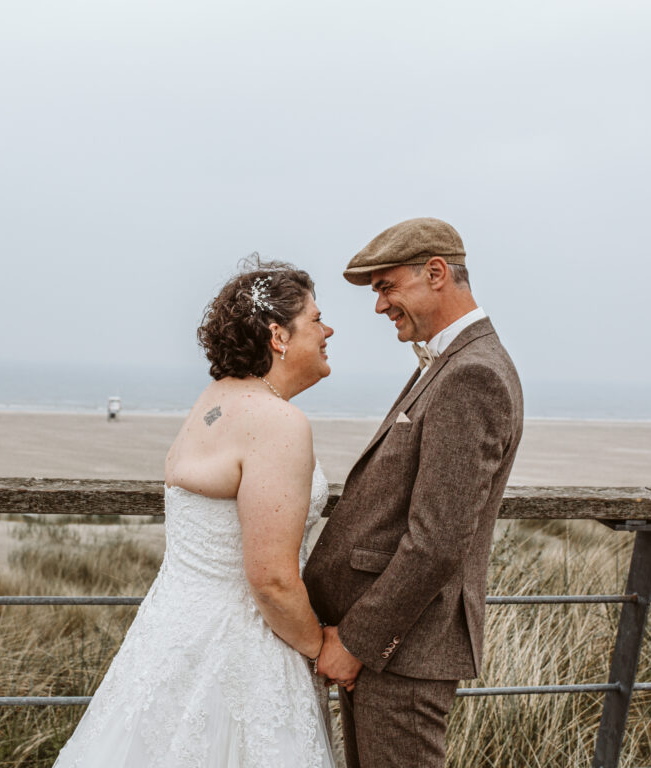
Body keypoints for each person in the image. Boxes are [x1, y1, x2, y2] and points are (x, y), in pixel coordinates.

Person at [52, 258, 336, 768]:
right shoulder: (278, 422)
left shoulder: (213, 400)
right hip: (241, 649)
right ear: (279, 335)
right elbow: (270, 578)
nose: (328, 329)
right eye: (316, 319)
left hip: (172, 632)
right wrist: (320, 647)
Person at [304, 217, 524, 768]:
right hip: (393, 648)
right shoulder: (453, 362)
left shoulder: (473, 374)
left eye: (386, 288)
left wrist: (358, 642)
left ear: (436, 273)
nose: (380, 307)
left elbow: (439, 540)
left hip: (402, 651)